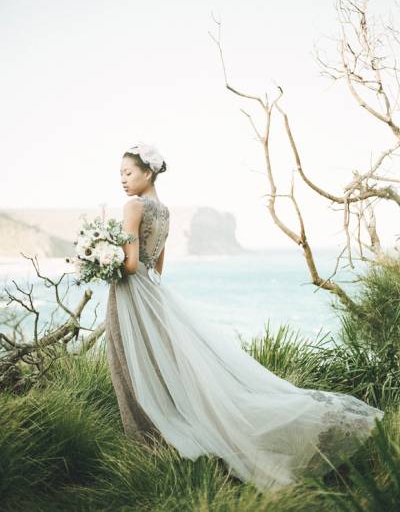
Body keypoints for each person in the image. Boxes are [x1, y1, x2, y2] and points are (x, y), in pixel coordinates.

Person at [105, 142, 384, 494]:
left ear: (148, 173)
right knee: (160, 364)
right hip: (154, 294)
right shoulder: (164, 211)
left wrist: (101, 262)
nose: (123, 180)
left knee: (132, 364)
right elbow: (157, 265)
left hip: (132, 295)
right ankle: (168, 433)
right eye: (120, 174)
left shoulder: (133, 206)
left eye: (128, 173)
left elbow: (130, 265)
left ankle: (148, 443)